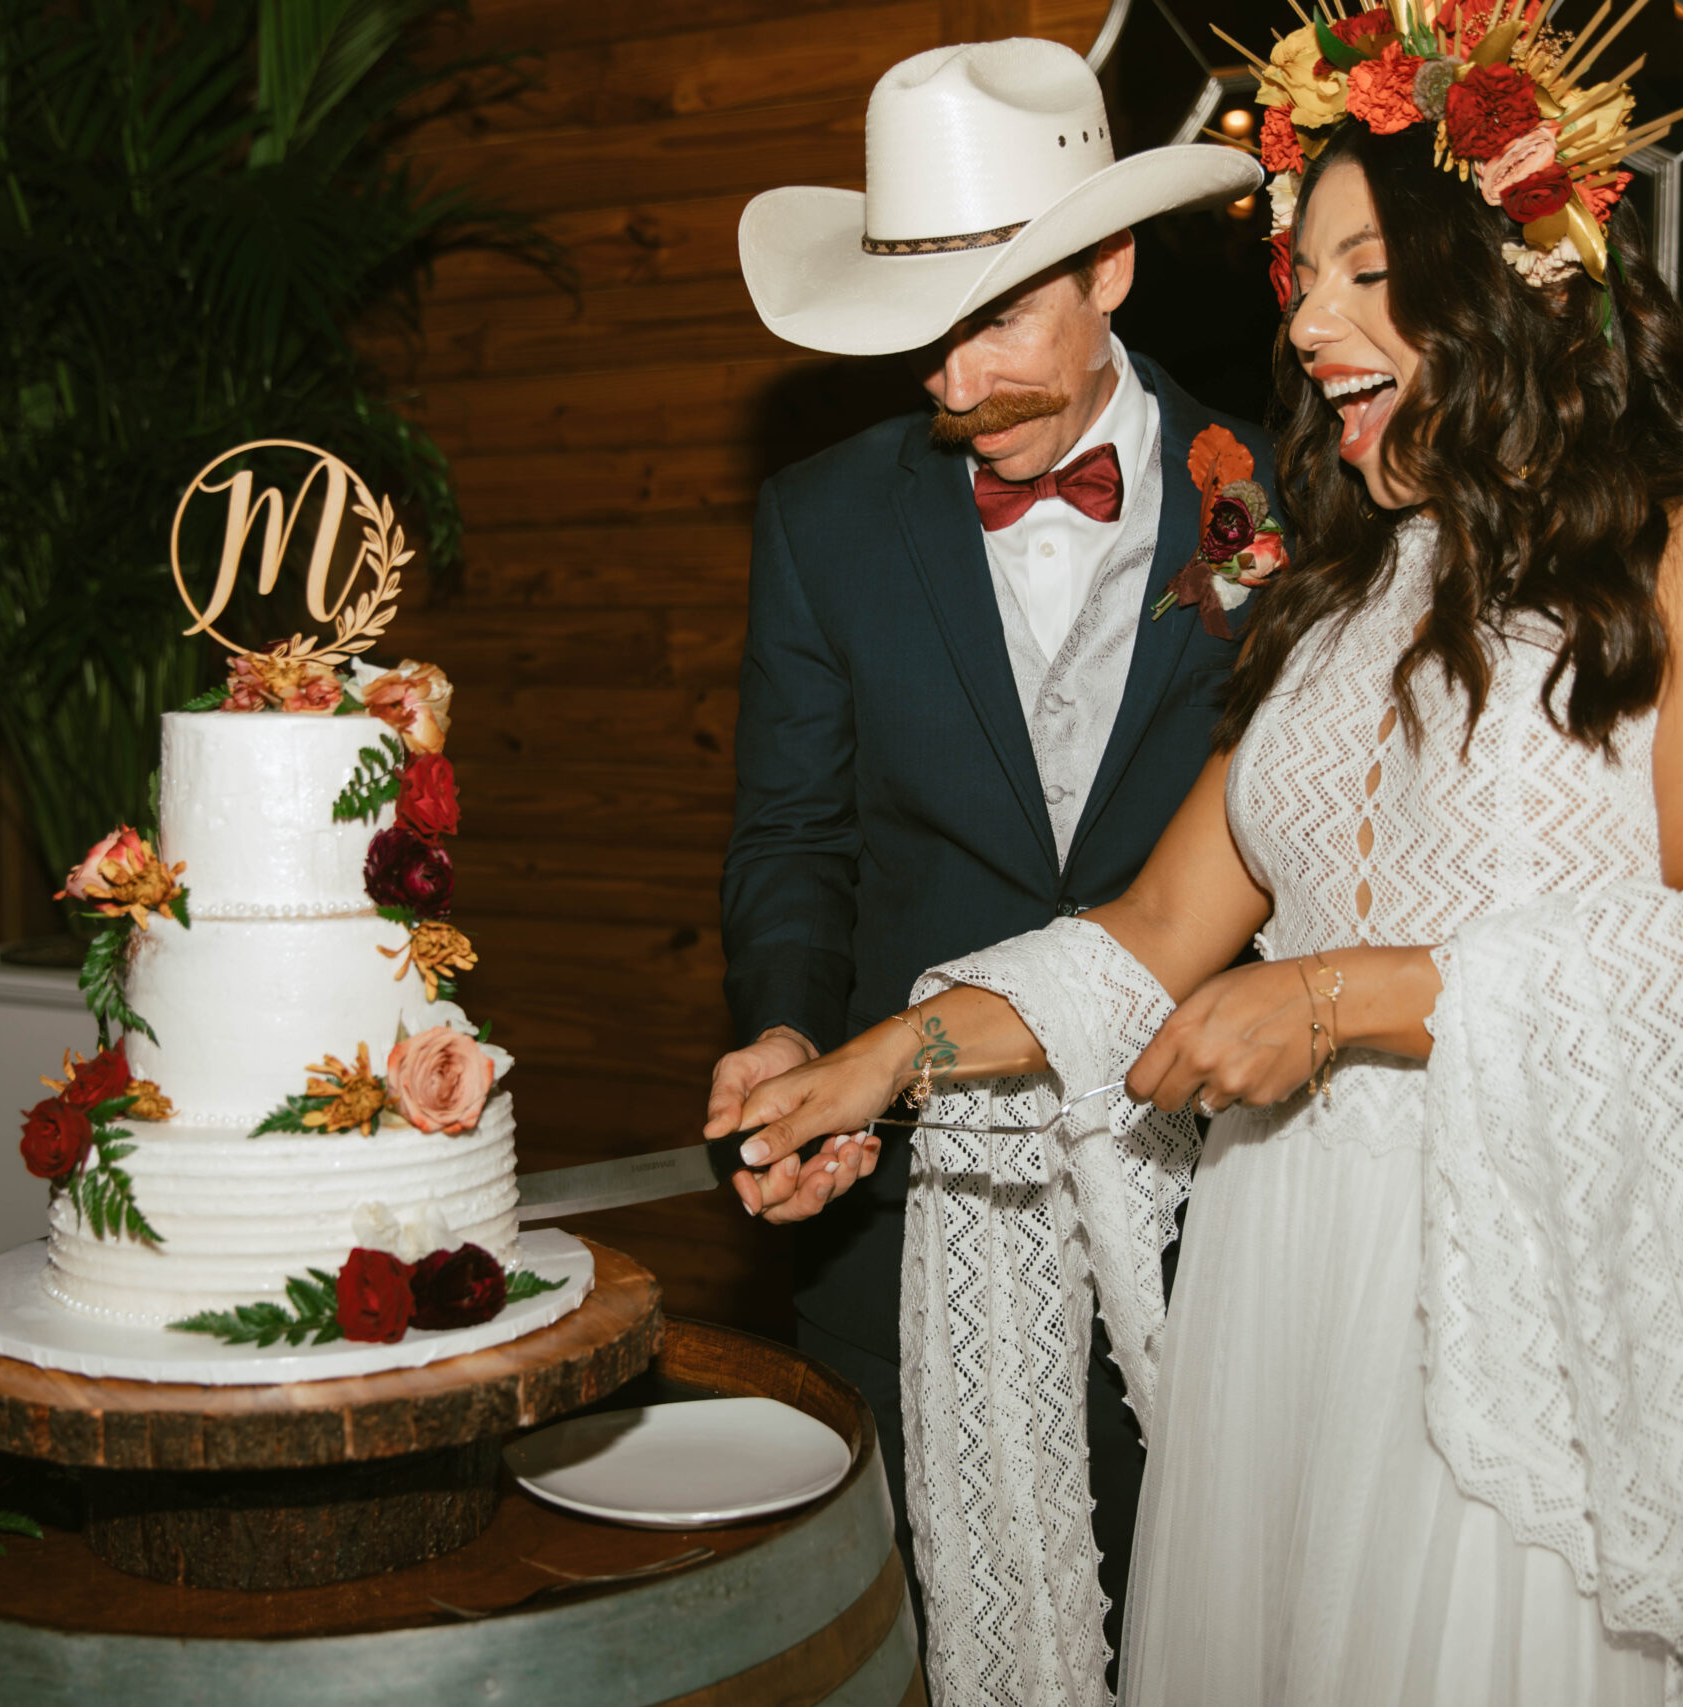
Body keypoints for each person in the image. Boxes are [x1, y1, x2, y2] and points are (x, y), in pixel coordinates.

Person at [730, 11, 1683, 1704]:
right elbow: (1157, 930)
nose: (1308, 317)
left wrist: (1340, 1001)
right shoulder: (1344, 600)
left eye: (1362, 272)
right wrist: (887, 1057)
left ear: (1515, 275)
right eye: (1302, 276)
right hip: (1283, 1294)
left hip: (1511, 1302)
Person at [706, 35, 1266, 1673]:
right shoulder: (823, 518)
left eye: (997, 324)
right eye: (921, 341)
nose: (952, 386)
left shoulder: (1284, 500)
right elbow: (793, 834)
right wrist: (794, 1029)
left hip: (1211, 1208)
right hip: (905, 1224)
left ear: (1113, 267)